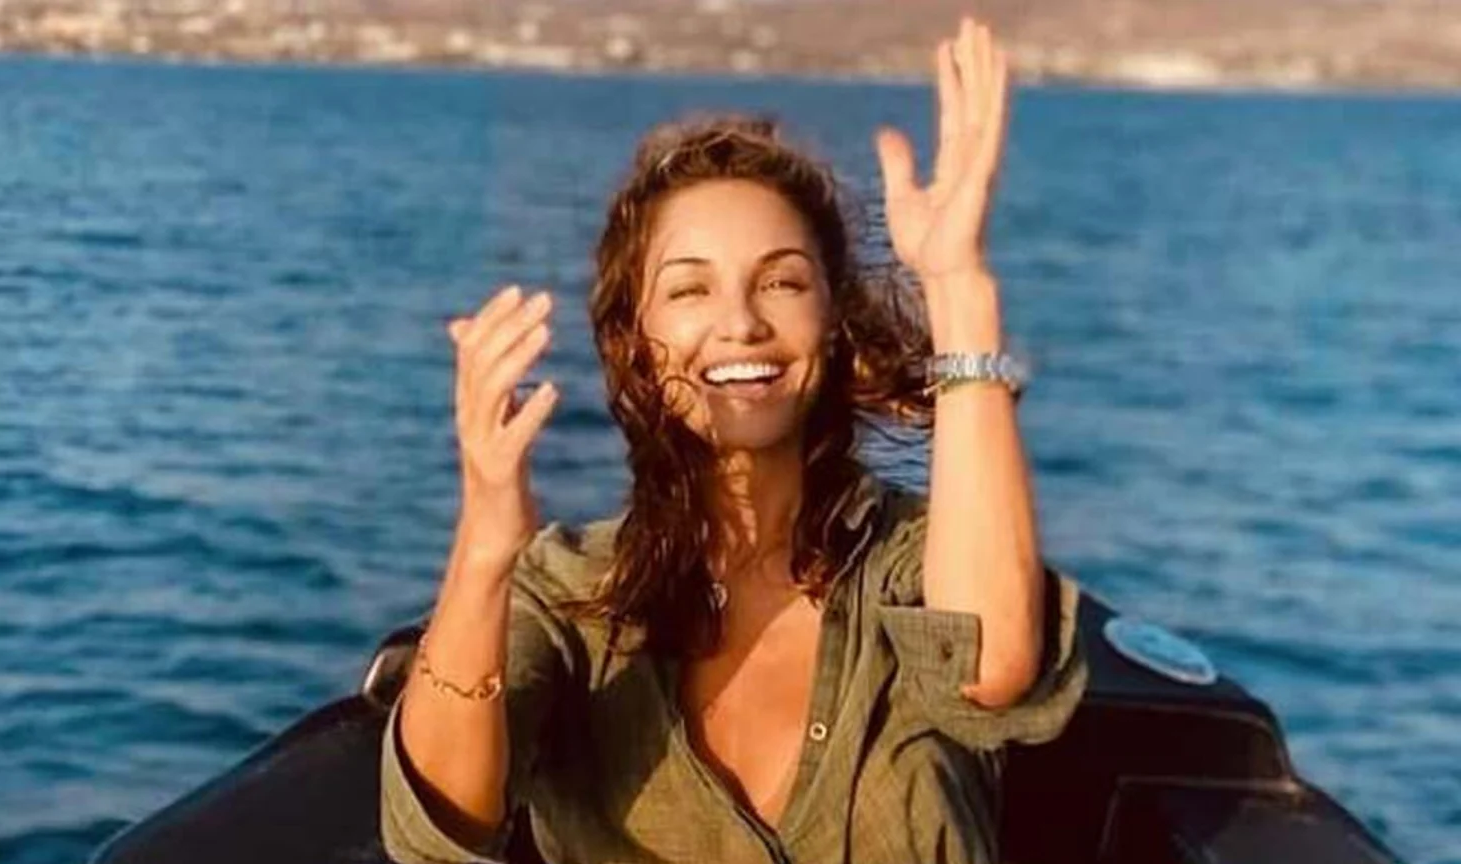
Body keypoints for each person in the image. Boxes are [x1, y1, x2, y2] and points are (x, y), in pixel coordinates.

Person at [382, 18, 1087, 864]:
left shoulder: (915, 564)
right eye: (690, 290)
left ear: (832, 324)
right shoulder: (566, 593)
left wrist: (958, 286)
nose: (742, 323)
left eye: (783, 281)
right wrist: (486, 548)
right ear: (633, 341)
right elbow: (440, 831)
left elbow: (988, 668)